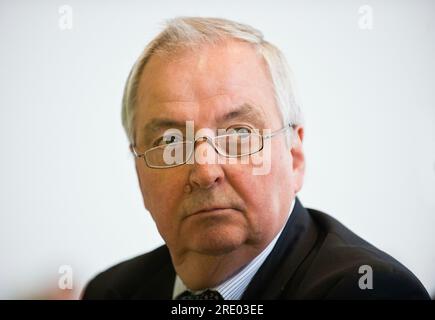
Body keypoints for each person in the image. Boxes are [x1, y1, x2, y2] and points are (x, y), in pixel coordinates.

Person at [82, 17, 430, 300]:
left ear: (294, 156)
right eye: (170, 142)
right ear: (138, 170)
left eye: (239, 134)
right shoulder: (111, 292)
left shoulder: (367, 291)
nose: (205, 171)